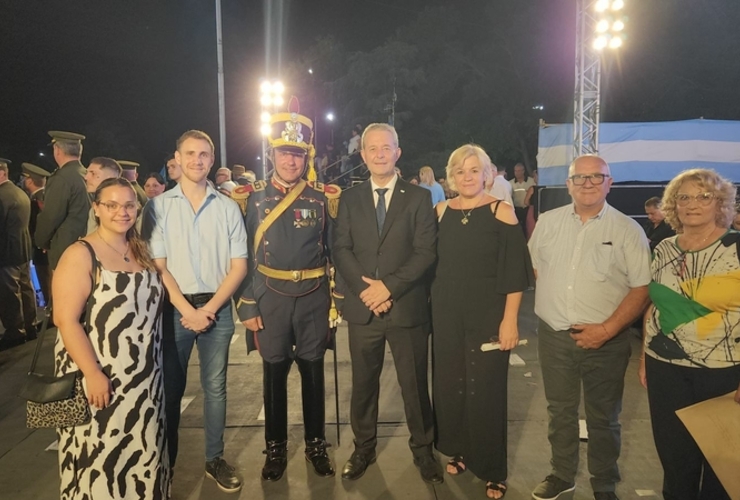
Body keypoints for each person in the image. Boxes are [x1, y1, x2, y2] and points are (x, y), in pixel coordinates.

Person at [528, 155, 651, 500]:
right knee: (560, 412)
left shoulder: (628, 230)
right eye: (579, 178)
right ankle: (561, 474)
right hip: (555, 338)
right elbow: (538, 269)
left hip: (606, 341)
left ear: (609, 183)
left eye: (596, 177)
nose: (587, 183)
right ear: (568, 184)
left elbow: (642, 288)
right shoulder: (547, 223)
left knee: (604, 417)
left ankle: (604, 483)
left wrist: (608, 329)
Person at [234, 99, 342, 481]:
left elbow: (334, 251)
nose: (291, 162)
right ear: (273, 154)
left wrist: (336, 300)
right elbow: (242, 253)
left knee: (314, 374)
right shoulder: (252, 198)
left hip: (313, 297)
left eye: (297, 155)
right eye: (284, 154)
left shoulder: (322, 197)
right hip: (270, 296)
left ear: (306, 156)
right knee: (274, 375)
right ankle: (275, 449)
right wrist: (247, 304)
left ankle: (316, 446)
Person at [332, 123, 443, 484]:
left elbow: (425, 252)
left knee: (413, 385)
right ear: (362, 156)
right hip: (363, 309)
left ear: (398, 152)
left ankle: (423, 450)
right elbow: (341, 249)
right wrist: (368, 292)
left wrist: (388, 289)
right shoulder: (349, 199)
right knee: (364, 385)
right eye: (372, 149)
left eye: (386, 148)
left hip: (405, 307)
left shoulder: (418, 198)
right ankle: (363, 448)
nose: (379, 154)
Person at [143, 130, 247, 493]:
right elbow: (159, 265)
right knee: (171, 389)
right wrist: (188, 309)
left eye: (204, 154)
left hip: (216, 308)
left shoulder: (229, 207)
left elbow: (238, 266)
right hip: (175, 309)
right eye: (190, 154)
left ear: (212, 159)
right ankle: (165, 462)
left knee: (215, 387)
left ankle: (214, 458)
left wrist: (211, 309)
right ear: (177, 158)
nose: (197, 160)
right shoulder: (157, 206)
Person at [53, 177, 169, 499]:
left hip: (144, 383)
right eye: (112, 205)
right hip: (100, 378)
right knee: (101, 459)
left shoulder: (140, 248)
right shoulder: (81, 254)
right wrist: (93, 373)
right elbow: (65, 319)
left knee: (144, 455)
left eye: (129, 205)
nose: (122, 212)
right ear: (96, 208)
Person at [432, 145, 533, 499]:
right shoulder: (440, 211)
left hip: (488, 315)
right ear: (451, 177)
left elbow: (515, 274)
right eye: (460, 171)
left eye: (474, 170)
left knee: (486, 390)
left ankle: (492, 467)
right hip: (445, 315)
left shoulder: (501, 212)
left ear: (487, 174)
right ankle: (460, 449)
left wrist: (510, 321)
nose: (468, 176)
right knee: (452, 387)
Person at [639, 168, 740, 500]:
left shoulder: (735, 247)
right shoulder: (664, 248)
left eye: (704, 196)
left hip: (723, 373)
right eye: (684, 197)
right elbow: (655, 307)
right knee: (675, 462)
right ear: (674, 205)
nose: (693, 204)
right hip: (664, 368)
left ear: (720, 202)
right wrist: (644, 357)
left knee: (721, 468)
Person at [35, 131, 90, 270]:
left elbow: (51, 216)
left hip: (66, 248)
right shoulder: (87, 174)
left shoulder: (62, 178)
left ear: (57, 150)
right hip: (87, 244)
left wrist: (42, 241)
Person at [0, 158, 36, 350]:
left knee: (9, 294)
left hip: (6, 252)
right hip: (21, 249)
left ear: (2, 173)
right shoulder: (19, 192)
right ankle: (30, 327)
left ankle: (15, 332)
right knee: (26, 289)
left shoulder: (2, 195)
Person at [20, 162, 51, 305]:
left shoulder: (38, 200)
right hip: (45, 248)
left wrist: (40, 243)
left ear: (30, 180)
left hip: (43, 250)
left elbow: (42, 224)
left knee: (46, 282)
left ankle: (52, 318)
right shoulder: (46, 196)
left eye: (24, 178)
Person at [84, 157, 122, 234]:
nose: (86, 177)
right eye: (87, 173)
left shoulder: (122, 208)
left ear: (109, 178)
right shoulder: (96, 206)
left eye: (93, 173)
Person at [511, 162, 535, 234]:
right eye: (515, 171)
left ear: (523, 171)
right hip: (516, 210)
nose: (517, 173)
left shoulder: (531, 181)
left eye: (519, 171)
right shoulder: (510, 183)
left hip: (528, 209)